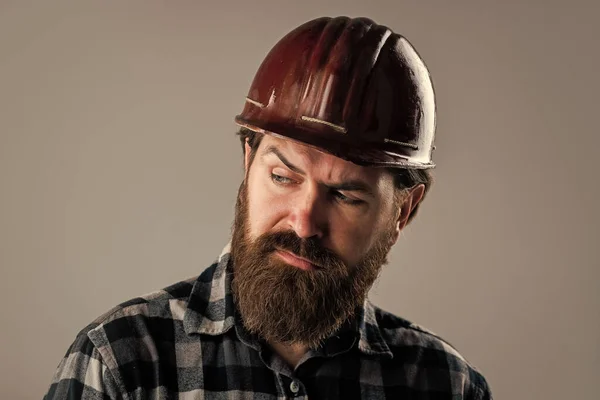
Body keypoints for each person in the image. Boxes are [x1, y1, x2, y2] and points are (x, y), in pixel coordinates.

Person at [44, 16, 492, 400]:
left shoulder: (447, 386)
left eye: (346, 196)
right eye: (283, 177)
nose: (303, 223)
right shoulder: (119, 366)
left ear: (403, 212)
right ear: (248, 161)